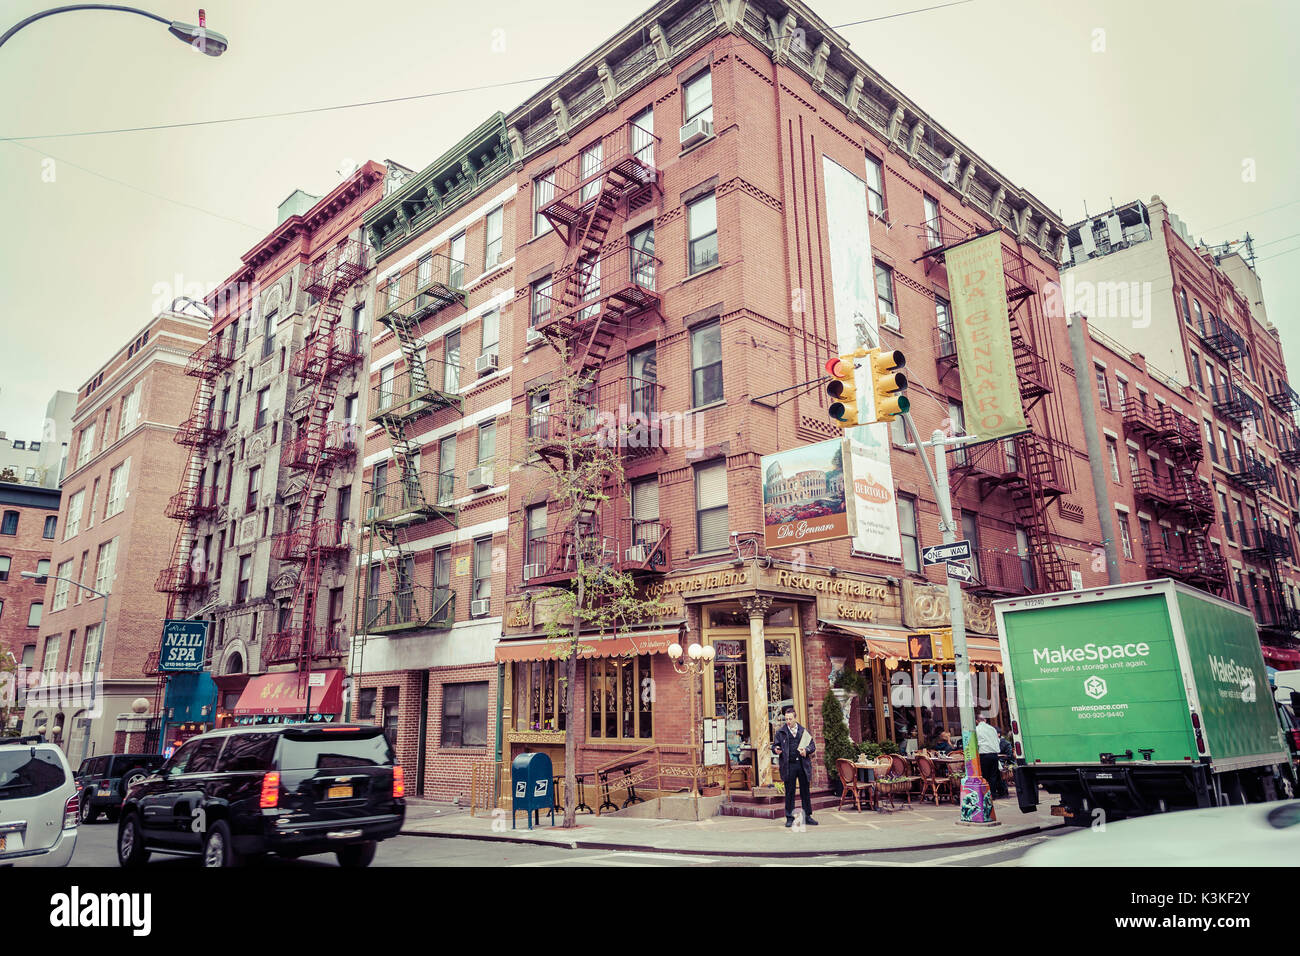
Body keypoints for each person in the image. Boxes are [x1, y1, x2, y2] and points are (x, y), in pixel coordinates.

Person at [772, 705, 818, 828]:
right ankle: (789, 817)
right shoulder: (781, 732)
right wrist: (776, 749)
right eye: (786, 719)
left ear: (795, 718)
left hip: (802, 765)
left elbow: (812, 746)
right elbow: (775, 746)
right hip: (789, 766)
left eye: (790, 719)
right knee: (790, 792)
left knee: (805, 792)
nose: (788, 721)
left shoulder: (803, 731)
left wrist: (806, 751)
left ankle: (807, 816)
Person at [975, 714, 1007, 798]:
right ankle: (992, 794)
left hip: (983, 754)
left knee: (985, 775)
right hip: (994, 754)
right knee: (993, 775)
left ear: (976, 721)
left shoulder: (976, 729)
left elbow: (975, 743)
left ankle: (986, 794)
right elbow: (997, 741)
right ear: (985, 720)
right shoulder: (992, 729)